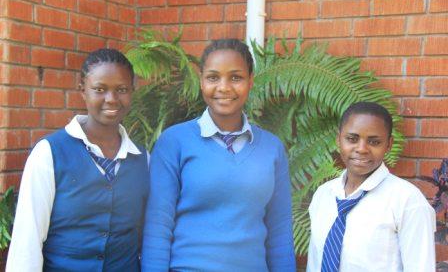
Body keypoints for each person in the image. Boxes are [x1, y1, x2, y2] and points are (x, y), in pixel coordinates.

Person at [141, 39, 296, 271]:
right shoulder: (174, 142)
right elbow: (157, 227)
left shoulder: (272, 148)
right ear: (201, 81)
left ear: (251, 81)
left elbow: (280, 231)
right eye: (213, 77)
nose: (224, 87)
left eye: (236, 77)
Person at [6, 49, 150, 272]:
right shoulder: (49, 154)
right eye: (99, 89)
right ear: (83, 91)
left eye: (121, 90)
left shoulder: (143, 159)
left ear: (132, 91)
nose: (111, 99)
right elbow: (28, 239)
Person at [306, 102, 436, 272]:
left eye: (374, 142)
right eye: (352, 139)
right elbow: (315, 262)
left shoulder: (407, 201)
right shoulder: (323, 195)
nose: (361, 149)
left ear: (388, 145)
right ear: (338, 139)